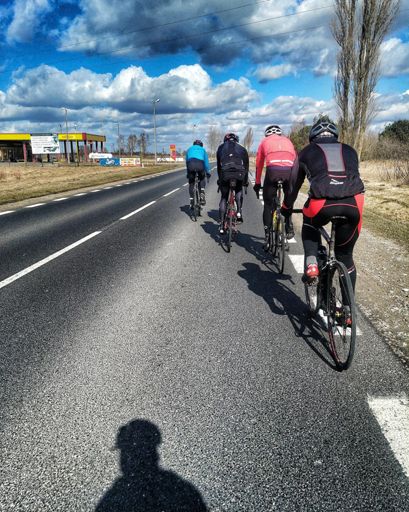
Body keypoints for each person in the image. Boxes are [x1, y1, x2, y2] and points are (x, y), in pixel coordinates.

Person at [281, 117, 365, 291]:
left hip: (322, 204)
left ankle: (312, 264)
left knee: (309, 223)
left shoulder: (306, 152)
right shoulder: (350, 150)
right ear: (335, 135)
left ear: (313, 137)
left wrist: (287, 207)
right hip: (353, 203)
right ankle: (348, 307)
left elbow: (293, 186)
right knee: (345, 256)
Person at [253, 124, 297, 250]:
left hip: (273, 171)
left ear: (267, 135)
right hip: (289, 172)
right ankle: (288, 227)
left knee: (268, 205)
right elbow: (295, 161)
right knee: (288, 201)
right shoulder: (288, 141)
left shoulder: (264, 142)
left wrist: (257, 183)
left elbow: (259, 164)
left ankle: (267, 238)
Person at [216, 132, 249, 234]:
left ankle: (222, 225)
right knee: (238, 189)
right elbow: (246, 167)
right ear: (236, 140)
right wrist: (245, 181)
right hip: (239, 172)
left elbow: (219, 166)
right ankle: (239, 212)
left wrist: (220, 180)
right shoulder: (242, 148)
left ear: (225, 140)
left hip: (225, 173)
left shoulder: (221, 148)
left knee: (224, 197)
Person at [185, 139, 211, 208]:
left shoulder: (189, 149)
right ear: (201, 145)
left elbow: (187, 162)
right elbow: (206, 163)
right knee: (202, 178)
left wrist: (188, 173)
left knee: (191, 183)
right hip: (200, 164)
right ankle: (202, 192)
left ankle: (191, 200)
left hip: (190, 165)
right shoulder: (203, 150)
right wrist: (208, 172)